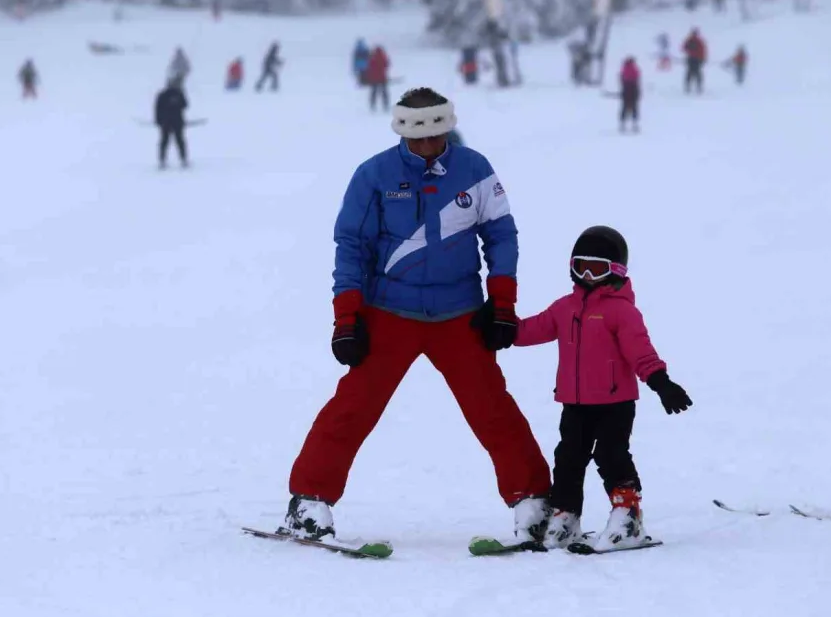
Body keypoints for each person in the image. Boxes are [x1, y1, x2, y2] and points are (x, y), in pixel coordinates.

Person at [282, 87, 552, 544]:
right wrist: (347, 319)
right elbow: (352, 247)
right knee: (353, 407)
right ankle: (309, 502)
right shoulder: (374, 175)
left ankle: (535, 502)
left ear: (448, 128)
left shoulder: (475, 169)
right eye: (418, 139)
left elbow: (502, 236)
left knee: (492, 408)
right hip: (390, 311)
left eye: (437, 136)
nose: (428, 147)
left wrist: (501, 304)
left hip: (459, 313)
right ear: (402, 132)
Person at [514, 226, 693, 550]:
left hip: (615, 403)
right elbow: (531, 330)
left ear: (616, 271)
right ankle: (566, 516)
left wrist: (661, 382)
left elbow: (641, 351)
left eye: (596, 268)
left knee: (611, 455)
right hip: (575, 403)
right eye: (580, 265)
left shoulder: (621, 311)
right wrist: (500, 328)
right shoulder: (564, 308)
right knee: (568, 458)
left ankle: (628, 515)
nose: (587, 274)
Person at [154, 78, 189, 169]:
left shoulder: (179, 94)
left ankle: (183, 159)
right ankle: (163, 160)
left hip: (176, 122)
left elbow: (185, 105)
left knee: (179, 141)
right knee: (166, 141)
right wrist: (158, 120)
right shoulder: (163, 95)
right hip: (167, 122)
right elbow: (157, 109)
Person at [618, 57, 641, 134]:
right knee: (634, 106)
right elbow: (637, 78)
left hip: (626, 88)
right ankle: (635, 123)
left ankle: (622, 123)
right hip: (633, 88)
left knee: (624, 106)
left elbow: (621, 78)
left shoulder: (624, 69)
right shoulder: (635, 68)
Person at [682, 28, 707, 95]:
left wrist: (702, 58)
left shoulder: (695, 41)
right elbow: (684, 48)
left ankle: (692, 86)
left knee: (692, 73)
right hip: (694, 59)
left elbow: (684, 48)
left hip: (694, 59)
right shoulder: (693, 40)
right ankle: (695, 86)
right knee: (695, 73)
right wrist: (703, 59)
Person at [365, 45, 391, 112]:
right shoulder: (383, 57)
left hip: (374, 78)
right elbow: (387, 65)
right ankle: (386, 105)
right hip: (383, 77)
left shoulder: (373, 58)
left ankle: (372, 105)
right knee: (384, 92)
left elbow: (369, 66)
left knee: (374, 92)